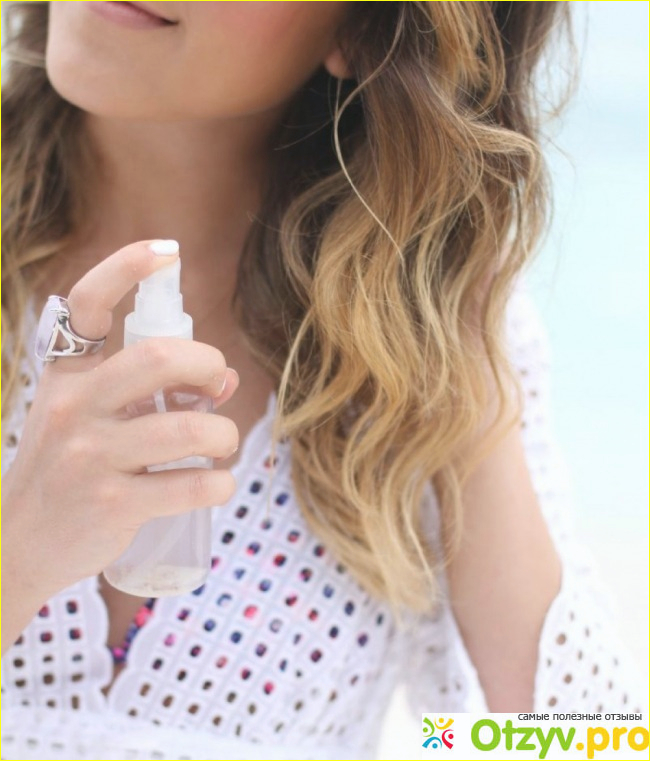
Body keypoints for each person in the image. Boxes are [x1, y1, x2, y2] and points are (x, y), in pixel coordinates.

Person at [1, 2, 642, 759]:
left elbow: (591, 741)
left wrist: (443, 310)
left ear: (363, 28)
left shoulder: (430, 347)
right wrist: (21, 548)